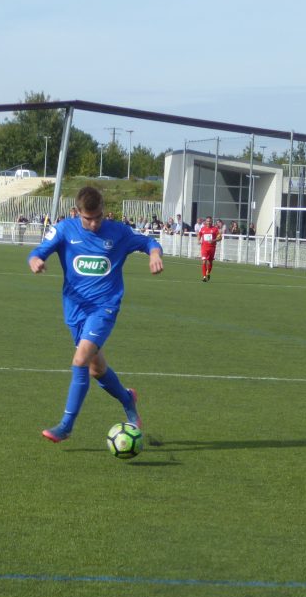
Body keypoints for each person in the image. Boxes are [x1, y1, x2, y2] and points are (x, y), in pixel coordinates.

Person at [28, 185, 164, 442]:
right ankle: (128, 399)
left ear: (104, 211)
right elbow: (37, 251)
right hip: (74, 309)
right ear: (76, 212)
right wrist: (35, 261)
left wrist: (154, 254)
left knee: (80, 361)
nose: (93, 223)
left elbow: (147, 242)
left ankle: (66, 426)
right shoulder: (65, 230)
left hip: (104, 308)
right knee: (96, 368)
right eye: (87, 218)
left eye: (98, 217)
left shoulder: (118, 232)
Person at [196, 215, 223, 281]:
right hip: (204, 248)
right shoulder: (202, 229)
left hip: (212, 248)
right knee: (204, 261)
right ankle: (204, 277)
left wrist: (213, 240)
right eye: (207, 221)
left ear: (212, 222)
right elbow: (199, 234)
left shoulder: (215, 229)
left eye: (210, 221)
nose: (209, 222)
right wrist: (198, 240)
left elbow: (220, 238)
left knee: (210, 262)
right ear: (205, 221)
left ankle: (208, 273)